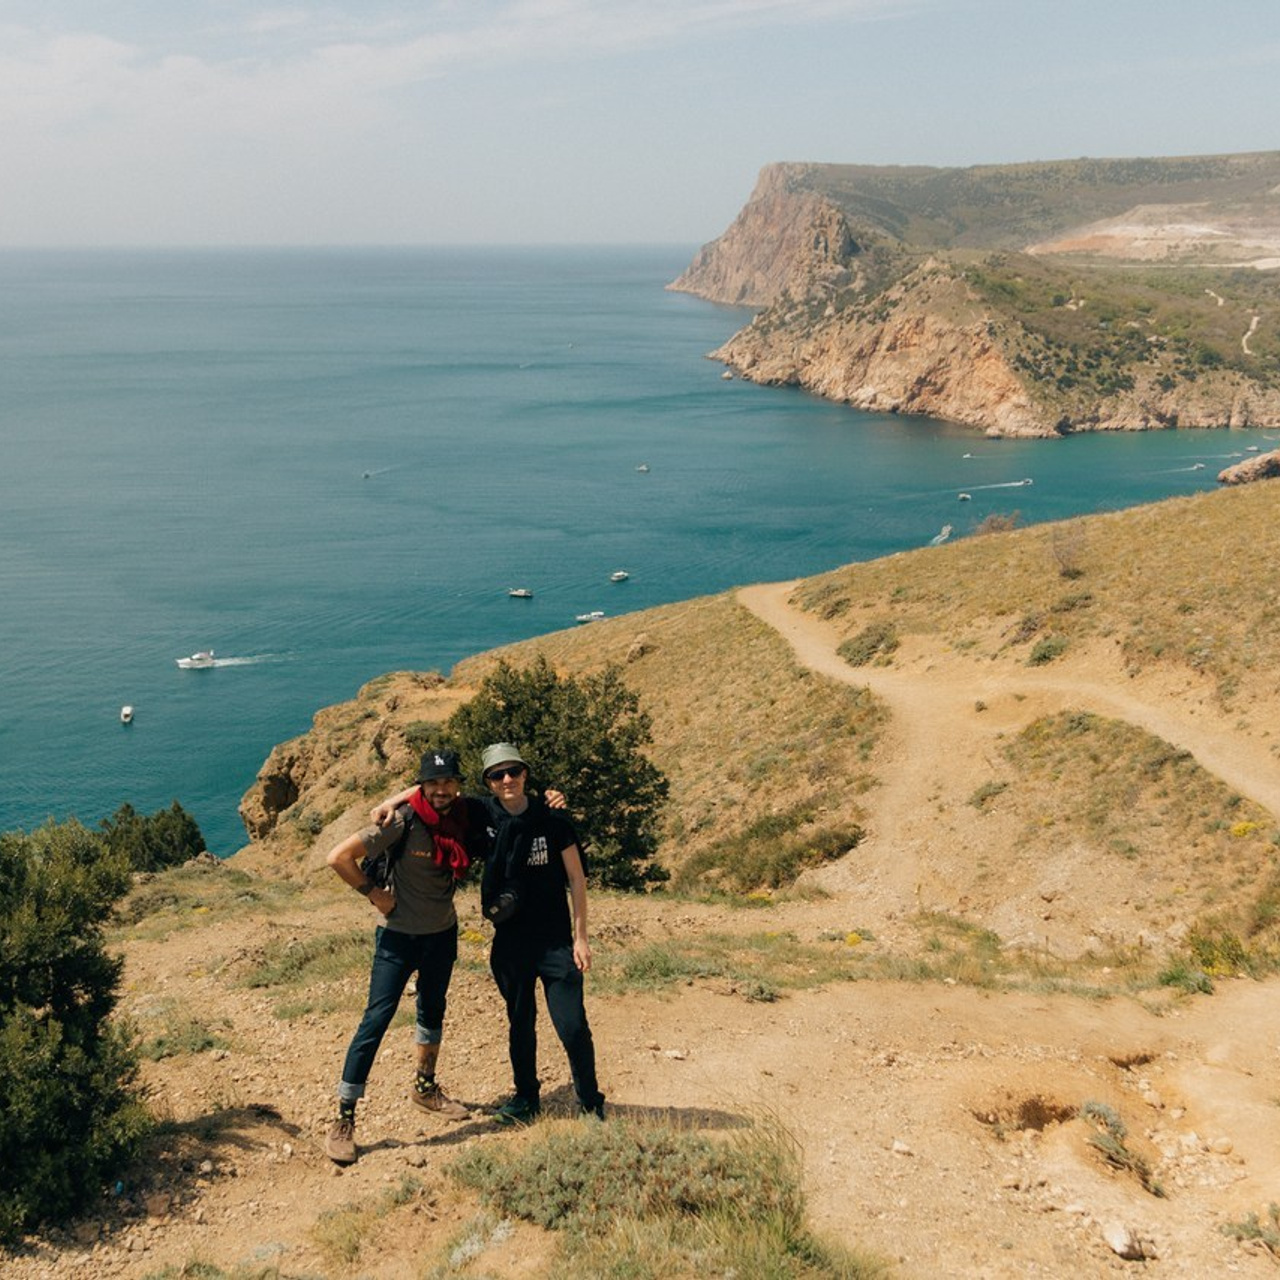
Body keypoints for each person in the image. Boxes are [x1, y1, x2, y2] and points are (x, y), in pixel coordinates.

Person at [323, 748, 474, 1166]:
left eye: (448, 782)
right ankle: (344, 1119)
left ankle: (425, 1090)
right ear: (421, 787)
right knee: (376, 1020)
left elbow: (508, 803)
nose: (441, 790)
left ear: (457, 784)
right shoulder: (403, 821)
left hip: (441, 935)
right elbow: (337, 857)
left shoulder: (463, 815)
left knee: (432, 1011)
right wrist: (373, 894)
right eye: (432, 783)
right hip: (397, 939)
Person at [479, 742, 605, 1125]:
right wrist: (387, 807)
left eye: (513, 771)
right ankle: (526, 1098)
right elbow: (432, 795)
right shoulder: (483, 817)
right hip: (511, 944)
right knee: (520, 1023)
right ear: (487, 782)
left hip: (555, 943)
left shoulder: (553, 817)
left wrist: (581, 937)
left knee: (572, 1025)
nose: (507, 779)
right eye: (497, 774)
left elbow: (576, 879)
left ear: (525, 774)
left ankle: (589, 1101)